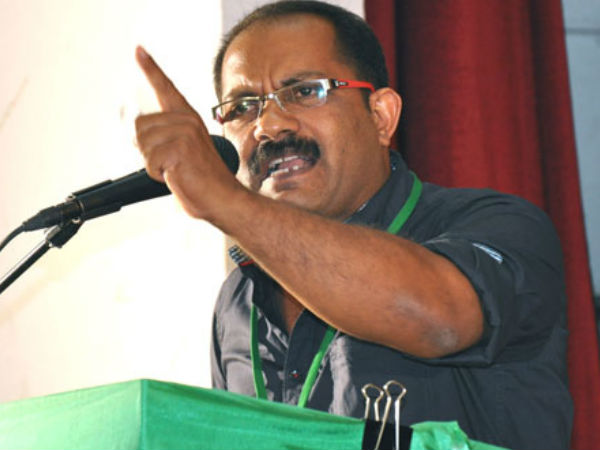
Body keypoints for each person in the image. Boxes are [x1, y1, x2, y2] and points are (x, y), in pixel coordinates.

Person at [134, 1, 573, 448]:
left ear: (381, 116)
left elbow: (438, 320)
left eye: (305, 91)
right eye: (244, 107)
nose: (267, 125)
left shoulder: (502, 225)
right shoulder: (237, 298)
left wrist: (226, 202)